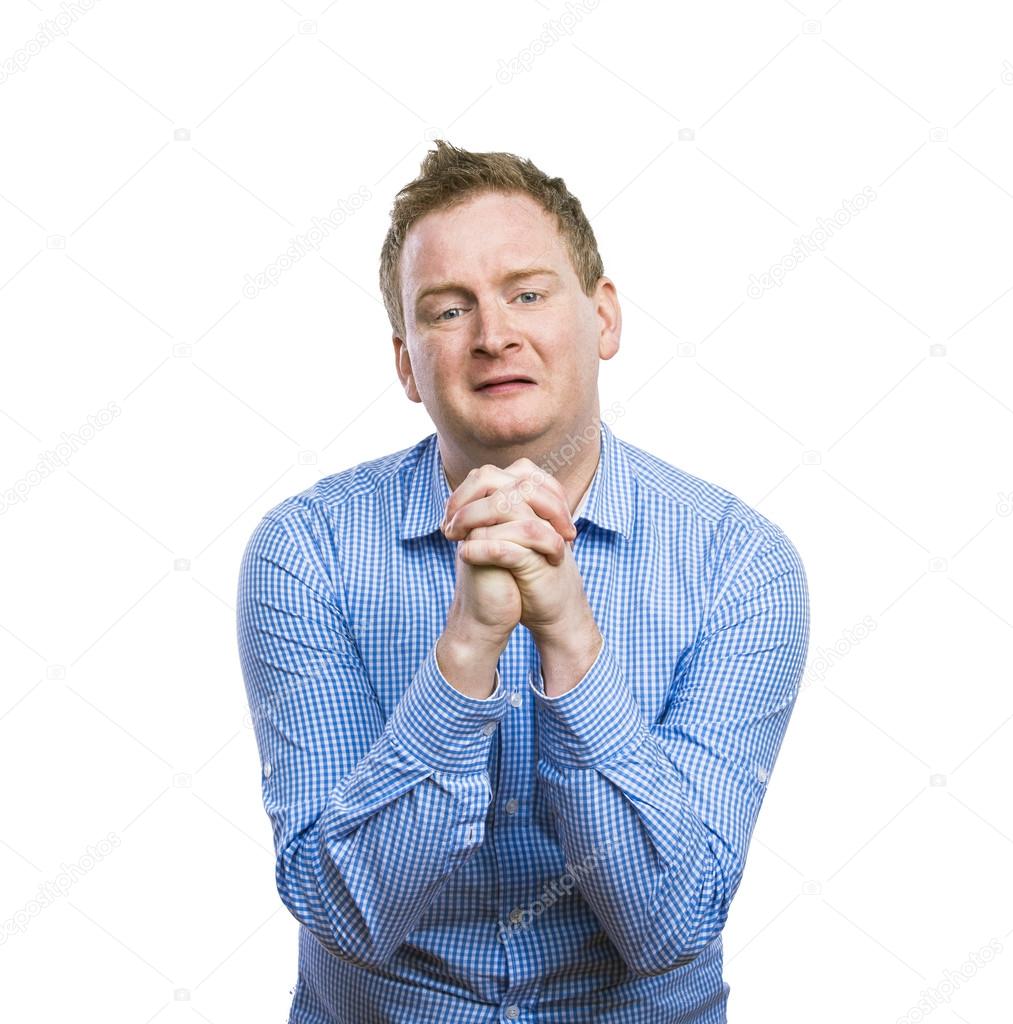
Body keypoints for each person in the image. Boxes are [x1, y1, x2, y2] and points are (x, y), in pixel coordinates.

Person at [236, 140, 810, 1023]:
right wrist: (466, 651)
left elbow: (673, 923)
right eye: (446, 309)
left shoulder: (738, 564)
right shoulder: (306, 552)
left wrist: (571, 643)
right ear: (404, 362)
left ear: (604, 317)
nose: (492, 334)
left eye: (528, 294)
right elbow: (347, 910)